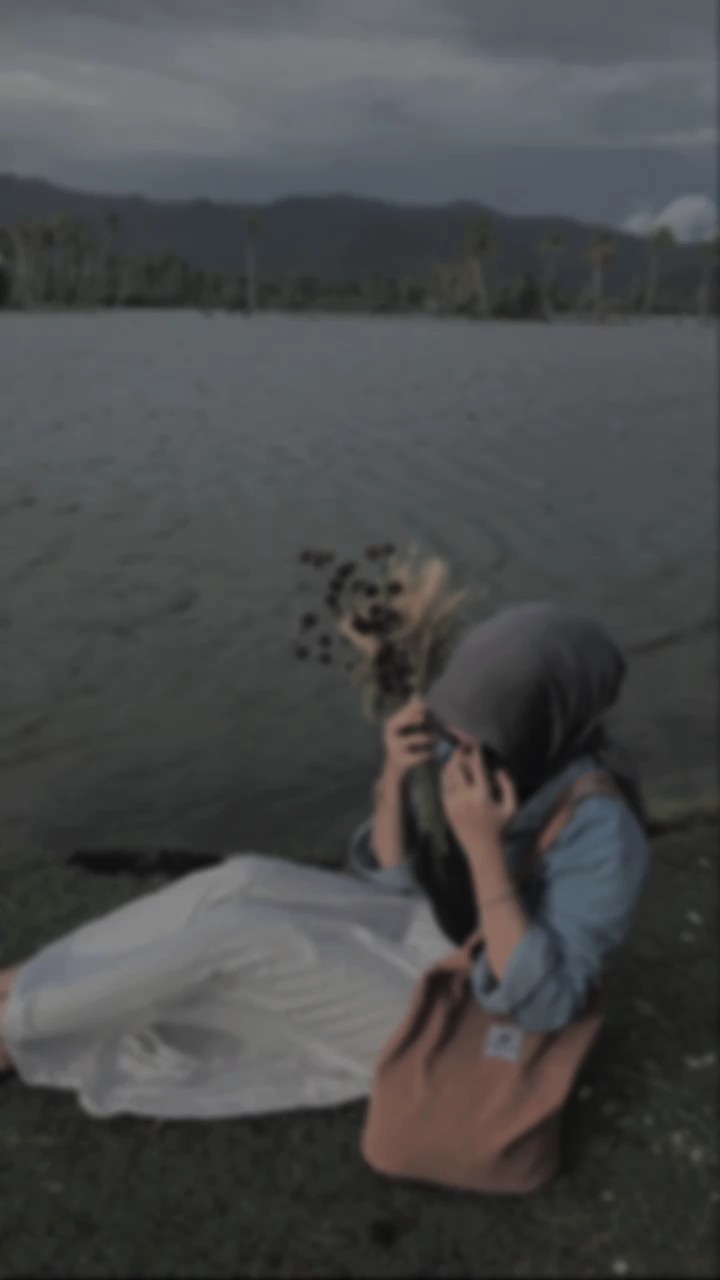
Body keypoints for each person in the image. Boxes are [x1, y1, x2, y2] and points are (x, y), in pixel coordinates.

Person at [0, 601, 649, 1121]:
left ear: (546, 718)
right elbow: (393, 883)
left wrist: (484, 849)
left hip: (472, 1023)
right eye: (455, 726)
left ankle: (15, 1024)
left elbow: (544, 1007)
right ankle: (31, 977)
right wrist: (394, 780)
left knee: (245, 936)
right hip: (422, 941)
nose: (459, 744)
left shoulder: (602, 834)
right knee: (243, 878)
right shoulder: (483, 743)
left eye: (474, 729)